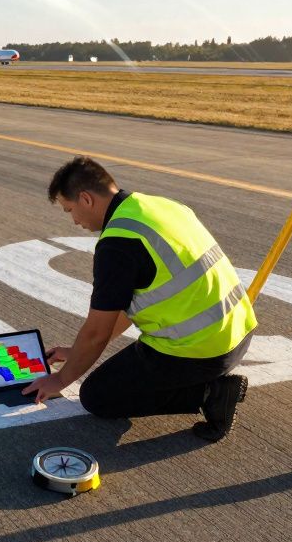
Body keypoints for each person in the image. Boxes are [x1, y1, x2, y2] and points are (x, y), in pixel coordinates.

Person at [21, 156, 257, 441]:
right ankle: (206, 383)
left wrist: (59, 379)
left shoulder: (118, 243)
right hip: (238, 334)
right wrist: (75, 352)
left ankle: (211, 393)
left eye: (70, 210)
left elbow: (97, 331)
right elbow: (126, 309)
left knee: (98, 396)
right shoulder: (161, 206)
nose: (74, 221)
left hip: (198, 352)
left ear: (86, 199)